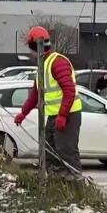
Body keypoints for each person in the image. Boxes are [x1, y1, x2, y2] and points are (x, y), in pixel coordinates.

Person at [13, 26, 83, 178]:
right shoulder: (43, 65)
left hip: (68, 115)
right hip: (55, 116)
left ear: (35, 46)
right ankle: (56, 182)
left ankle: (74, 184)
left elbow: (69, 91)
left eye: (30, 48)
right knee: (50, 151)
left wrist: (63, 115)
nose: (29, 53)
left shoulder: (57, 62)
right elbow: (35, 94)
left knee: (66, 151)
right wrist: (23, 113)